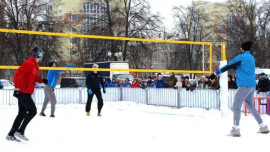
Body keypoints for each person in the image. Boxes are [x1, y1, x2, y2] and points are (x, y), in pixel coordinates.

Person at [210, 41, 269, 137]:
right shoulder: (251, 58)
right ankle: (263, 126)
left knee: (236, 106)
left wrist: (215, 73)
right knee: (250, 106)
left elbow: (229, 66)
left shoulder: (241, 57)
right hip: (252, 85)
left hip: (244, 85)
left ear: (242, 49)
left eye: (240, 48)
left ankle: (235, 129)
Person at [6, 47, 48, 142]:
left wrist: (42, 80)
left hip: (26, 92)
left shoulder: (35, 65)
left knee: (21, 113)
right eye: (40, 55)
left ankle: (10, 134)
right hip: (22, 92)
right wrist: (17, 88)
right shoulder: (29, 64)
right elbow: (17, 74)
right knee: (33, 111)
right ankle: (20, 131)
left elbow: (33, 77)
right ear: (37, 55)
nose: (41, 57)